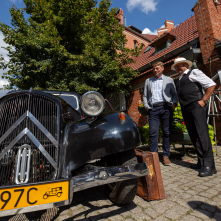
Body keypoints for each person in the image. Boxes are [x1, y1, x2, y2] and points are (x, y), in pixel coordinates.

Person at [171, 57, 216, 177]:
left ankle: (210, 166)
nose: (177, 68)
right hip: (186, 108)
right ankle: (201, 162)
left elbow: (211, 85)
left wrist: (203, 100)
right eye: (176, 66)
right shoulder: (179, 79)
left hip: (196, 106)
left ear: (186, 64)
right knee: (194, 135)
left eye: (179, 65)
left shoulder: (194, 72)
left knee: (202, 135)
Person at [143, 61, 178, 165]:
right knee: (153, 132)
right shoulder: (148, 81)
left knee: (166, 132)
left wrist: (174, 104)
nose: (155, 70)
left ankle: (166, 156)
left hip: (166, 107)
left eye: (157, 68)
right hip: (153, 109)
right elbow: (145, 95)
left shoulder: (169, 80)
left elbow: (174, 94)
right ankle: (154, 156)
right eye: (153, 69)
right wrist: (146, 106)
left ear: (162, 68)